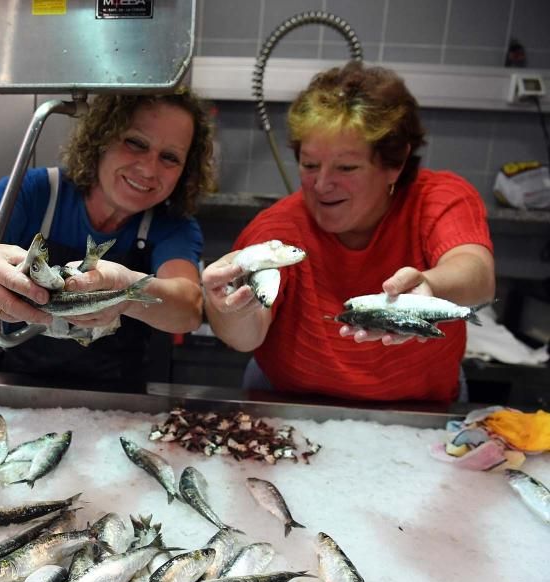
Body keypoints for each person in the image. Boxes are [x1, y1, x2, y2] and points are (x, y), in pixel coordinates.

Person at [201, 61, 495, 404]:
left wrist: (430, 285)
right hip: (291, 408)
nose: (322, 184)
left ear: (395, 162)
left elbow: (477, 272)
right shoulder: (278, 232)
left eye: (346, 167)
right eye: (309, 165)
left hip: (423, 410)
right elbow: (246, 337)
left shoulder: (437, 198)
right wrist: (228, 307)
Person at [0, 90, 217, 383]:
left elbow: (189, 308)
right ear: (102, 137)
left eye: (170, 157)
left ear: (185, 171)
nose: (149, 168)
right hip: (17, 386)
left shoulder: (172, 226)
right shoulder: (37, 191)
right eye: (135, 143)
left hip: (116, 399)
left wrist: (126, 293)